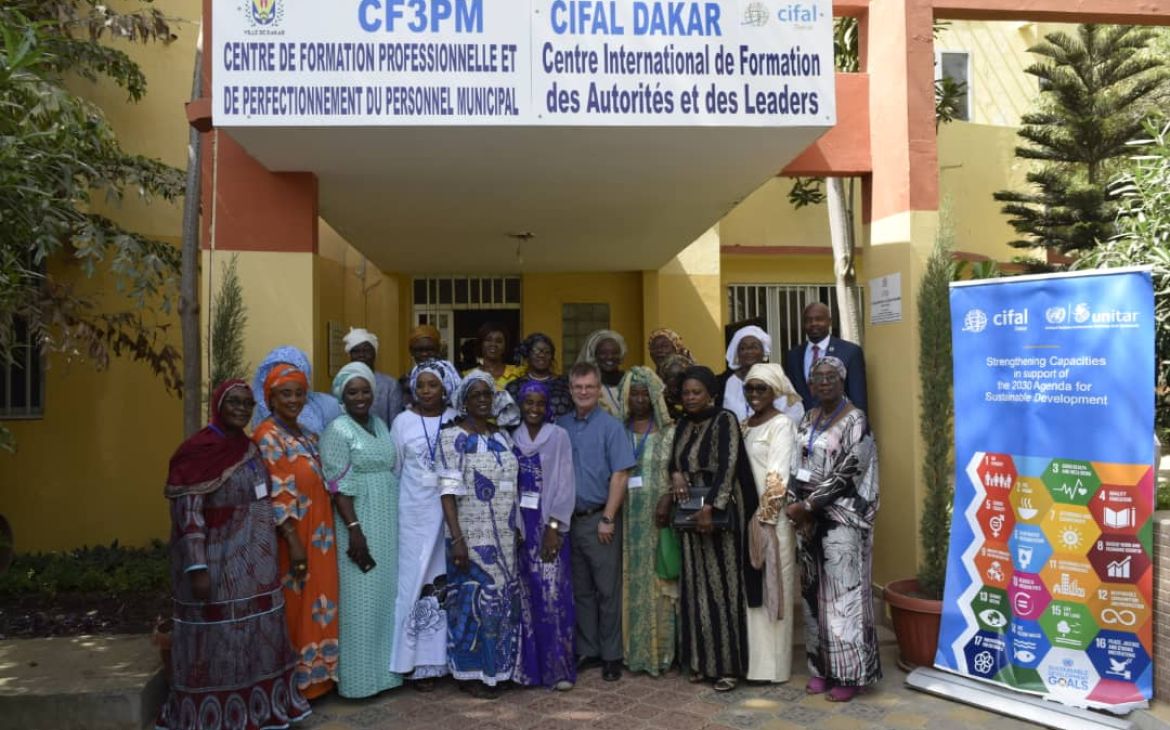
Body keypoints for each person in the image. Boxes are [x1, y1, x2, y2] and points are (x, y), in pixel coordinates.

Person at [157, 380, 312, 730]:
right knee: (218, 638)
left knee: (256, 635)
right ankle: (214, 717)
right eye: (234, 402)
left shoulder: (248, 447)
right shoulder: (198, 450)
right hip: (217, 561)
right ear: (218, 404)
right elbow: (188, 514)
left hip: (257, 565)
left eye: (247, 403)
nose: (242, 409)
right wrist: (197, 566)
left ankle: (257, 710)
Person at [787, 356, 881, 702]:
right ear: (810, 385)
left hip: (842, 519)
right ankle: (820, 669)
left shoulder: (856, 420)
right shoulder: (808, 418)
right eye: (818, 378)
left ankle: (849, 674)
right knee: (812, 597)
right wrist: (792, 502)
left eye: (831, 376)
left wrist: (809, 505)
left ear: (842, 381)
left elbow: (850, 471)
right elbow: (795, 464)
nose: (824, 382)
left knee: (843, 599)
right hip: (808, 521)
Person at [669, 365, 761, 693]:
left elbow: (729, 464)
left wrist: (712, 506)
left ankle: (727, 667)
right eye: (686, 393)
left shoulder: (725, 420)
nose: (690, 398)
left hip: (719, 515)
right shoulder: (682, 424)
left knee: (722, 590)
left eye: (697, 393)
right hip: (690, 513)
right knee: (695, 589)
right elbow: (675, 461)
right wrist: (677, 474)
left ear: (711, 393)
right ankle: (700, 663)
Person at [253, 363, 340, 700]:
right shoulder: (267, 436)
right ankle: (296, 683)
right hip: (293, 536)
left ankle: (320, 678)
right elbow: (277, 489)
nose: (293, 400)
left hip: (320, 534)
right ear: (271, 398)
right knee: (296, 604)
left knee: (321, 602)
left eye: (299, 393)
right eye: (284, 394)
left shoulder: (307, 433)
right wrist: (293, 541)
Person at [438, 371, 522, 699]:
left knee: (502, 602)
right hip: (469, 534)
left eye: (488, 395)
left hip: (504, 535)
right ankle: (469, 671)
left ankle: (498, 669)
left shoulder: (502, 436)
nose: (484, 400)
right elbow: (446, 492)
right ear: (464, 401)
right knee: (470, 601)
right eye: (476, 396)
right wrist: (457, 538)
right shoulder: (451, 437)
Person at [320, 362, 402, 698]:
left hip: (387, 522)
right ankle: (358, 681)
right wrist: (355, 529)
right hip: (358, 523)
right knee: (360, 601)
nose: (360, 397)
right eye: (352, 391)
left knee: (384, 600)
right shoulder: (337, 431)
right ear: (341, 394)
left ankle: (385, 675)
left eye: (365, 390)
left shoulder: (380, 424)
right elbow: (337, 486)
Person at [556, 362, 637, 682]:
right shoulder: (560, 425)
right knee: (581, 590)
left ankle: (611, 655)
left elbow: (621, 474)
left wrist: (608, 517)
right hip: (567, 522)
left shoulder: (611, 426)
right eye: (578, 387)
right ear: (571, 389)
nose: (584, 392)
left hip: (598, 520)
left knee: (607, 590)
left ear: (599, 388)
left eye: (590, 387)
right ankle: (588, 649)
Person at [389, 359, 462, 690]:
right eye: (421, 385)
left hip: (448, 517)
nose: (427, 391)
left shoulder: (455, 420)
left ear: (445, 387)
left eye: (433, 385)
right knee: (414, 586)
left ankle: (443, 661)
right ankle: (413, 663)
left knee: (444, 587)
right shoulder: (402, 422)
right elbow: (395, 469)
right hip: (413, 517)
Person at [511, 381, 577, 691]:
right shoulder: (512, 438)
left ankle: (558, 671)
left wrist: (554, 528)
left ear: (548, 405)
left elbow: (565, 482)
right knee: (526, 597)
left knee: (553, 596)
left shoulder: (558, 436)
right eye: (529, 403)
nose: (534, 409)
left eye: (540, 403)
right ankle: (530, 671)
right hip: (522, 527)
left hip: (549, 526)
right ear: (521, 405)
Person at [617, 367, 678, 676]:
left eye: (645, 393)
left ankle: (662, 654)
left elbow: (678, 472)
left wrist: (667, 499)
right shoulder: (618, 431)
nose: (639, 399)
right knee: (629, 582)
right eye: (634, 393)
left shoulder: (669, 432)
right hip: (626, 519)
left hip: (659, 517)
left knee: (660, 581)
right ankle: (633, 653)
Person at [740, 363, 799, 684]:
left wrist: (765, 519)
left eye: (761, 388)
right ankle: (754, 666)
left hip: (770, 521)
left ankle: (774, 670)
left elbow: (778, 476)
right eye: (749, 388)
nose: (754, 394)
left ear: (774, 391)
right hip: (746, 519)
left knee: (774, 588)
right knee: (753, 593)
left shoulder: (782, 425)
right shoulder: (742, 425)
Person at [783, 302, 868, 414]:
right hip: (802, 425)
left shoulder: (850, 352)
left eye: (819, 319)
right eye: (808, 320)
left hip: (839, 424)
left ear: (829, 322)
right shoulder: (793, 355)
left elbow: (858, 398)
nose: (813, 323)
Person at [718, 325, 804, 425]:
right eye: (743, 348)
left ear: (764, 351)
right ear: (737, 354)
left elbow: (795, 413)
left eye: (754, 347)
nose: (749, 351)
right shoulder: (726, 382)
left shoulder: (776, 377)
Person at [252, 346, 342, 436]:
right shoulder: (265, 429)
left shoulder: (325, 404)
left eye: (292, 372)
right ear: (272, 399)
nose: (293, 400)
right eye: (286, 394)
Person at [343, 327, 404, 425]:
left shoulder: (390, 385)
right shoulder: (342, 382)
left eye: (366, 351)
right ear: (350, 355)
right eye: (356, 351)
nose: (361, 355)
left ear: (374, 354)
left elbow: (395, 424)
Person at [506, 332, 573, 419]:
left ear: (552, 356)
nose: (542, 355)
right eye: (536, 351)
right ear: (528, 355)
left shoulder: (566, 384)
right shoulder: (514, 387)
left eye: (547, 352)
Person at [575, 329, 627, 416]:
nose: (609, 357)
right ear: (595, 356)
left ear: (621, 355)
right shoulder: (586, 385)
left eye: (614, 353)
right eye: (603, 353)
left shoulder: (629, 380)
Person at [467, 321, 524, 388]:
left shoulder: (519, 373)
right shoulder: (468, 376)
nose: (493, 344)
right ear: (481, 344)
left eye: (499, 341)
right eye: (488, 340)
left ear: (505, 346)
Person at [399, 324, 443, 409]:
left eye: (430, 349)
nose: (424, 354)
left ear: (438, 349)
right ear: (411, 351)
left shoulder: (452, 379)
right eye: (419, 350)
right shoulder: (404, 381)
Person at [657, 352, 693, 419]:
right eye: (670, 376)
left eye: (679, 377)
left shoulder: (695, 397)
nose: (675, 390)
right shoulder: (658, 400)